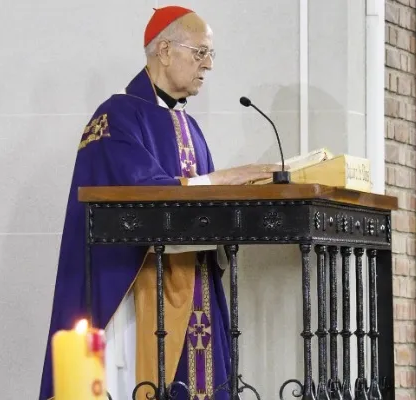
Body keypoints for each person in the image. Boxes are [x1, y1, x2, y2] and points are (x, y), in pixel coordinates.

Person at [39, 6, 281, 400]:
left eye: (210, 54)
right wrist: (221, 180)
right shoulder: (116, 115)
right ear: (164, 50)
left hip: (194, 282)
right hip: (135, 290)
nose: (209, 66)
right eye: (200, 53)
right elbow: (137, 193)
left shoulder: (191, 126)